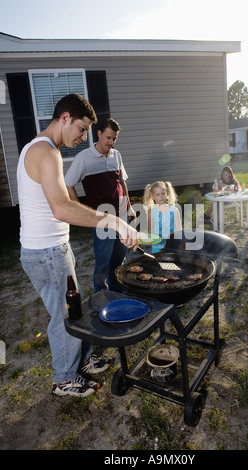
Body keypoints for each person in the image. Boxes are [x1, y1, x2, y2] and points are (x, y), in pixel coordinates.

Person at [17, 94, 138, 397]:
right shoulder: (47, 152)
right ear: (66, 118)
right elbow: (61, 208)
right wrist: (113, 221)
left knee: (73, 310)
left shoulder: (36, 147)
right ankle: (65, 379)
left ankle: (82, 360)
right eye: (82, 129)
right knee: (65, 316)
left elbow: (62, 204)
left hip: (49, 249)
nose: (84, 137)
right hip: (46, 253)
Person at [65, 118, 135, 293]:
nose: (111, 142)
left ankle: (117, 291)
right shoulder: (84, 158)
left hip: (121, 215)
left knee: (119, 259)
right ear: (99, 134)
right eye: (108, 138)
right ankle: (100, 295)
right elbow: (68, 183)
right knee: (103, 262)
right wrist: (78, 207)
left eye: (114, 139)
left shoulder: (116, 155)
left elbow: (122, 182)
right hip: (102, 219)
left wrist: (129, 205)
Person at [143, 181, 182, 253]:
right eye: (157, 194)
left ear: (167, 193)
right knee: (160, 263)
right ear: (152, 196)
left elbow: (179, 231)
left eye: (163, 193)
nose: (161, 196)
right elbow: (151, 233)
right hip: (158, 247)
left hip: (173, 246)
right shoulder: (151, 212)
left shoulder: (174, 210)